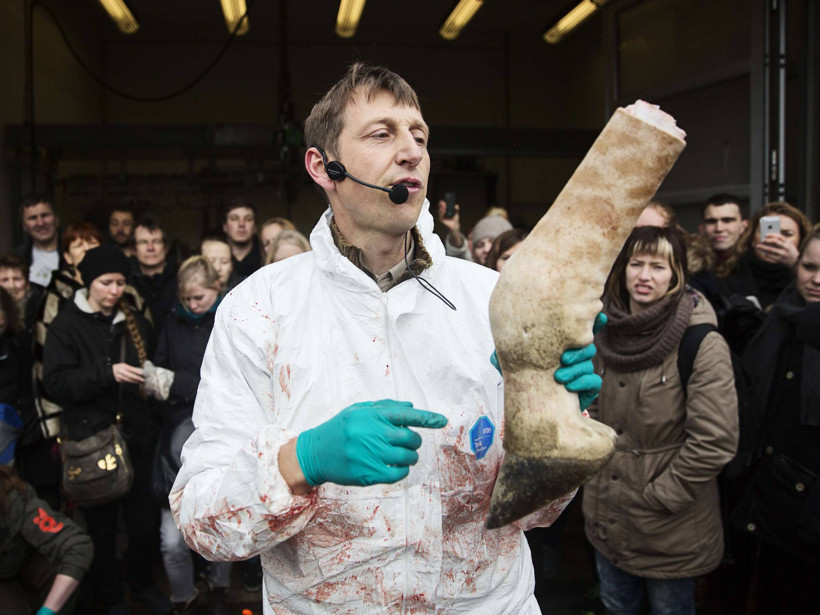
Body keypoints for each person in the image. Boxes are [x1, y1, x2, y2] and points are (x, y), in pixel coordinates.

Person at [171, 62, 599, 614]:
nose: (411, 151)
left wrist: (558, 425)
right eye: (382, 134)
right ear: (323, 167)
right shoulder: (258, 311)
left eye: (419, 136)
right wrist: (301, 461)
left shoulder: (492, 299)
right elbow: (203, 524)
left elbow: (534, 513)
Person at [584, 226, 738, 615]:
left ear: (677, 275)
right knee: (616, 606)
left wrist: (660, 496)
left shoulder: (700, 342)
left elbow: (715, 440)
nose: (645, 275)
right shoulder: (603, 328)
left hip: (670, 525)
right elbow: (592, 414)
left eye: (659, 265)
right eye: (636, 263)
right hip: (607, 511)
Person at [42, 245, 170, 615]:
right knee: (101, 529)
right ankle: (111, 598)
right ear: (88, 283)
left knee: (143, 526)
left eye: (119, 283)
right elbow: (55, 382)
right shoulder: (66, 325)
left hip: (137, 440)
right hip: (93, 442)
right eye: (106, 282)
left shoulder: (136, 321)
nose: (114, 290)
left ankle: (142, 586)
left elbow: (153, 372)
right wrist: (106, 373)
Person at [724, 226, 820, 613]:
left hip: (811, 511)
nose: (817, 279)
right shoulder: (778, 318)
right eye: (809, 267)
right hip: (767, 500)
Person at [144, 257, 231, 614]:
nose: (193, 305)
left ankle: (221, 588)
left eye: (200, 297)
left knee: (223, 518)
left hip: (221, 430)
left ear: (216, 290)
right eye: (187, 299)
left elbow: (225, 383)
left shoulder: (229, 320)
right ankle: (183, 597)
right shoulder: (172, 323)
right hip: (175, 440)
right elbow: (157, 380)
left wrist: (177, 384)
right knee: (171, 539)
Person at [715, 202, 811, 354]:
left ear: (801, 241)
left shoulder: (811, 281)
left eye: (787, 234)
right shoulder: (727, 277)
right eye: (768, 231)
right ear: (752, 240)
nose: (775, 239)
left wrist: (796, 264)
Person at [0, 465, 94, 615]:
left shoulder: (14, 499)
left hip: (23, 566)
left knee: (56, 566)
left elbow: (77, 545)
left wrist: (48, 611)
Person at [131, 215, 177, 333]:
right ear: (133, 250)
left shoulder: (182, 279)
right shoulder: (125, 283)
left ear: (166, 247)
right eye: (143, 242)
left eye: (156, 241)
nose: (150, 248)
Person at [15, 194, 63, 292]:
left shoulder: (76, 252)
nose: (40, 223)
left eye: (45, 215)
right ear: (24, 226)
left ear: (57, 219)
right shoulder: (17, 259)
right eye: (32, 218)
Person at [699, 194, 747, 267]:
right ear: (702, 229)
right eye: (711, 221)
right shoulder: (689, 267)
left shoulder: (757, 265)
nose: (719, 228)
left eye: (727, 220)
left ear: (743, 226)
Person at [223, 200, 263, 280]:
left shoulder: (265, 259)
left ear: (255, 227)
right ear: (225, 226)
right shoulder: (215, 260)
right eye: (234, 219)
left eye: (248, 219)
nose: (241, 224)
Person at [0, 255, 33, 330]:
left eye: (16, 279)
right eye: (5, 280)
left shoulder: (38, 311)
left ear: (27, 284)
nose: (11, 286)